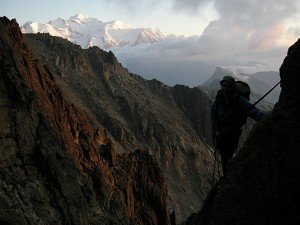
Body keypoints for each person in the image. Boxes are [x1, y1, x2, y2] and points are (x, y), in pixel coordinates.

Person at [211, 75, 265, 176]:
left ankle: (227, 177)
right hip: (221, 134)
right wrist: (216, 130)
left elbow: (252, 110)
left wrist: (263, 117)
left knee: (228, 155)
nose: (226, 88)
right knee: (224, 156)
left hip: (232, 133)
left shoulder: (238, 99)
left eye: (228, 86)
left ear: (232, 87)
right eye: (224, 86)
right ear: (221, 86)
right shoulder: (219, 100)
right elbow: (214, 115)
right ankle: (226, 176)